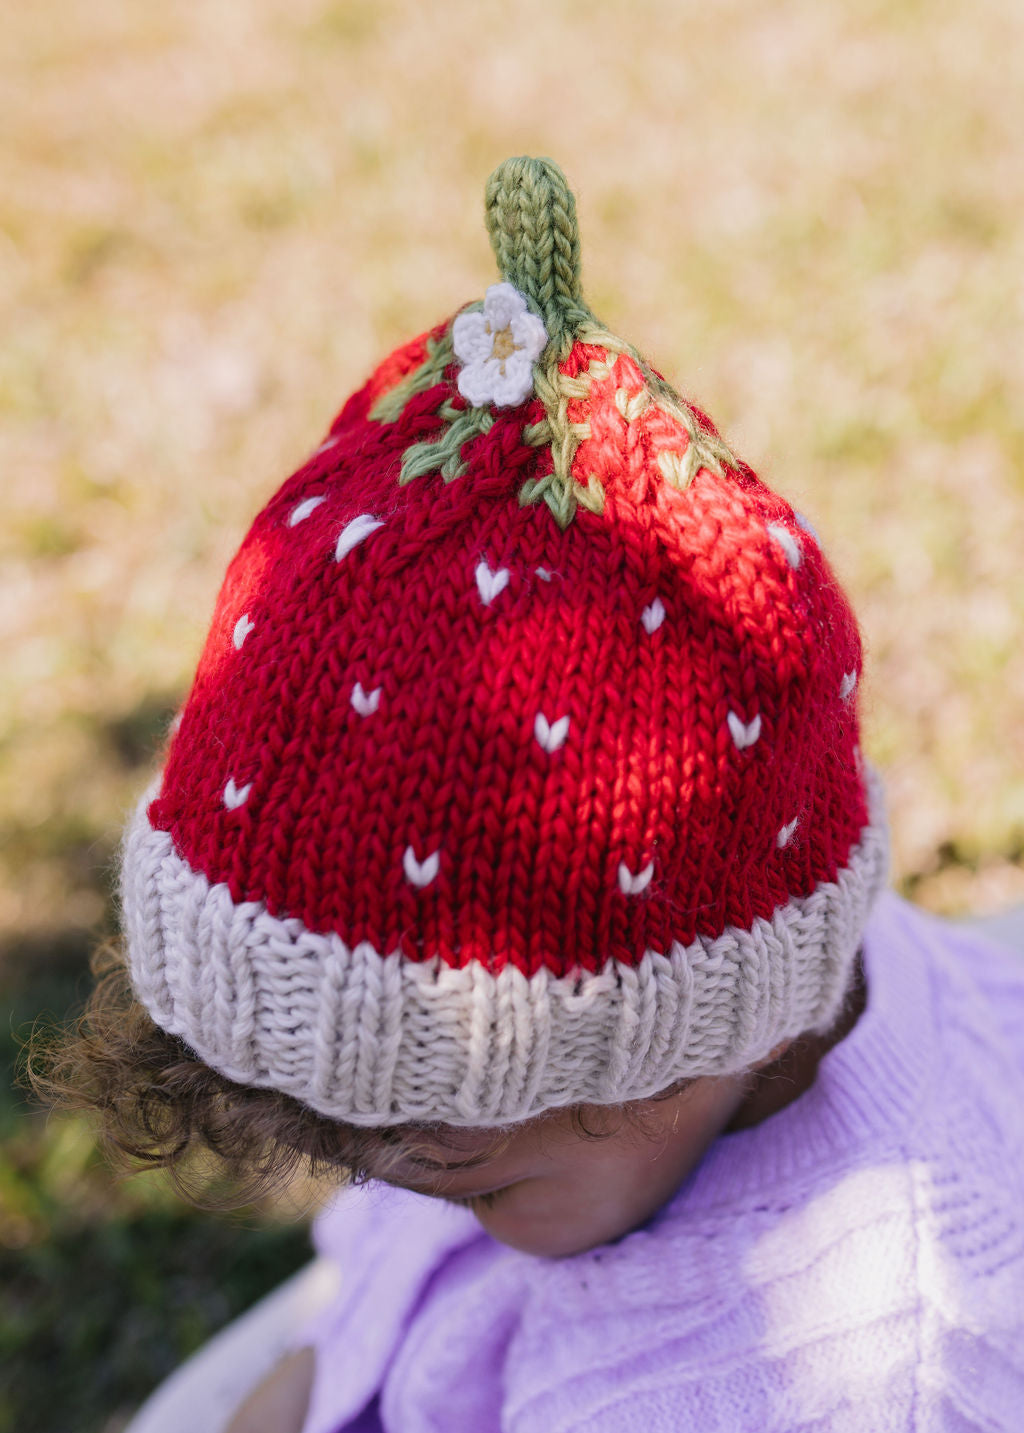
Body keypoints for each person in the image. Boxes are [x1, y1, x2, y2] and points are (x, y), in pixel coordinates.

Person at [41, 157, 1024, 1432]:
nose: (389, 1178)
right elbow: (390, 1268)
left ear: (712, 1040)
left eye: (471, 1182)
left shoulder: (853, 1371)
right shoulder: (624, 1070)